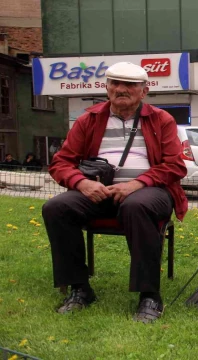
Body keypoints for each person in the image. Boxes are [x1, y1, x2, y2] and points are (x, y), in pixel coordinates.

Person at [42, 62, 188, 323]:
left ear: (144, 91)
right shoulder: (89, 119)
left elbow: (175, 165)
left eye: (130, 84)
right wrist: (81, 183)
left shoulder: (160, 119)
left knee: (136, 205)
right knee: (57, 208)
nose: (121, 89)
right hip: (99, 192)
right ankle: (80, 290)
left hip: (149, 192)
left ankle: (149, 296)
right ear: (106, 87)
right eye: (115, 83)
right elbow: (60, 163)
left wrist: (137, 183)